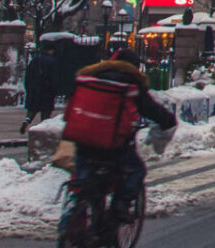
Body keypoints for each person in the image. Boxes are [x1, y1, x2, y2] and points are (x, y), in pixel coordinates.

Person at [67, 48, 178, 222]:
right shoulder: (130, 83)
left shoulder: (90, 77)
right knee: (136, 171)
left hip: (83, 139)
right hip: (112, 144)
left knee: (83, 180)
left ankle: (73, 218)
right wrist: (167, 122)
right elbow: (152, 110)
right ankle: (121, 205)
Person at [21, 45, 60, 134]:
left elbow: (28, 76)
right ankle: (43, 128)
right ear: (50, 50)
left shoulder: (34, 60)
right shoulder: (52, 61)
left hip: (34, 90)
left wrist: (28, 88)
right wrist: (55, 90)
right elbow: (54, 78)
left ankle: (27, 120)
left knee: (32, 109)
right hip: (47, 91)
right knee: (46, 112)